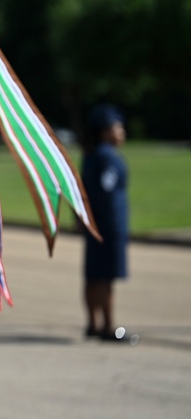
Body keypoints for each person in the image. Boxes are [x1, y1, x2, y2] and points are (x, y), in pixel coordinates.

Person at [82, 103, 133, 343]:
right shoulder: (107, 158)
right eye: (117, 127)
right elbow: (107, 192)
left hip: (93, 224)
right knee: (106, 278)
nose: (121, 132)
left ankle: (92, 324)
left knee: (93, 276)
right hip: (108, 225)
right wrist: (113, 227)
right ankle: (109, 327)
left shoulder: (90, 156)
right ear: (105, 132)